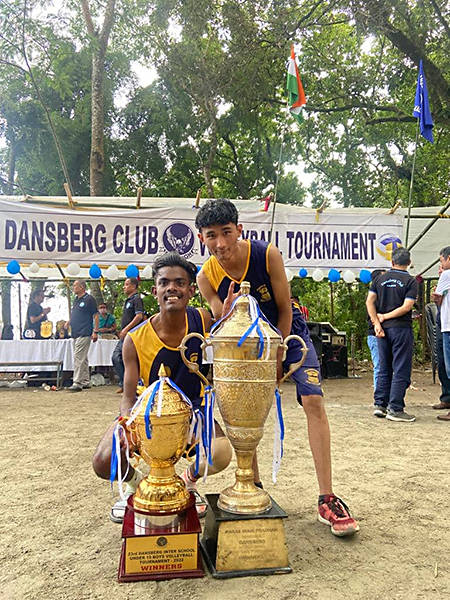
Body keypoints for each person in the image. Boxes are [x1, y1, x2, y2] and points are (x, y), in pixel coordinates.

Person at [195, 198, 359, 538]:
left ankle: (328, 498)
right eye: (212, 235)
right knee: (244, 406)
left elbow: (284, 309)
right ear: (201, 238)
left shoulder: (267, 254)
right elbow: (221, 321)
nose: (221, 243)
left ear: (240, 230)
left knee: (313, 399)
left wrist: (278, 355)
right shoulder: (205, 276)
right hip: (245, 342)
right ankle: (251, 485)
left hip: (287, 333)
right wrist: (224, 312)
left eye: (226, 232)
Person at [92, 252, 232, 522]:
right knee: (104, 460)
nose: (172, 288)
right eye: (164, 282)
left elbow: (228, 340)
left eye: (180, 282)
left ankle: (186, 483)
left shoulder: (202, 319)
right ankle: (138, 486)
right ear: (155, 290)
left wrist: (228, 318)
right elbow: (128, 396)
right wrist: (127, 424)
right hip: (148, 418)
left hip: (192, 414)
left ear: (191, 290)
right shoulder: (135, 339)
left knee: (221, 452)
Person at [366, 248, 418, 422]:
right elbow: (407, 307)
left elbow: (369, 302)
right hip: (400, 329)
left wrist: (377, 323)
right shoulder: (410, 281)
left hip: (382, 330)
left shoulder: (380, 279)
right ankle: (395, 408)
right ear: (409, 263)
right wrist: (385, 317)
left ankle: (380, 404)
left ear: (392, 262)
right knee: (401, 368)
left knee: (384, 367)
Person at [65, 280, 99, 392]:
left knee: (78, 357)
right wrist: (69, 321)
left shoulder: (89, 299)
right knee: (82, 358)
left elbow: (96, 315)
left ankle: (77, 382)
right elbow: (76, 313)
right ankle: (85, 381)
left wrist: (95, 331)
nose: (73, 287)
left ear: (82, 287)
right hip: (75, 332)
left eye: (75, 285)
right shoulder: (76, 300)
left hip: (85, 331)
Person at [112, 277, 144, 392]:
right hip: (125, 334)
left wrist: (126, 329)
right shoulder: (128, 300)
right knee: (117, 357)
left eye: (126, 284)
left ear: (133, 286)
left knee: (120, 357)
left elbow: (139, 316)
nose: (124, 287)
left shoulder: (137, 299)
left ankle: (130, 384)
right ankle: (124, 383)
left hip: (132, 334)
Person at [432, 246, 450, 421]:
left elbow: (437, 297)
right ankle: (447, 398)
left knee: (449, 366)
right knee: (445, 364)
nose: (441, 266)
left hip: (448, 326)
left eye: (441, 261)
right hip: (444, 324)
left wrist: (437, 294)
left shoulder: (446, 275)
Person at [366, 270, 386, 388]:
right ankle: (379, 393)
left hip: (385, 335)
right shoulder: (373, 298)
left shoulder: (385, 296)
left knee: (385, 366)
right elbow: (373, 318)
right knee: (379, 365)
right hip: (375, 335)